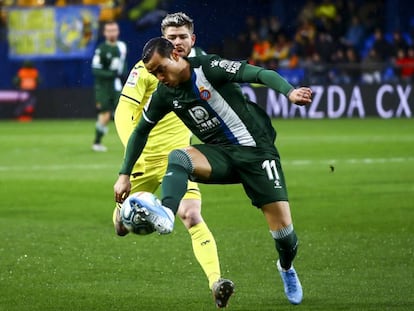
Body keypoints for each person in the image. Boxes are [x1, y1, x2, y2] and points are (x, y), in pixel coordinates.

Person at [114, 37, 312, 306]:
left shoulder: (208, 68)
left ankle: (286, 268)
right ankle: (167, 214)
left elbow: (259, 73)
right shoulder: (165, 94)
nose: (159, 78)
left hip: (257, 153)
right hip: (220, 154)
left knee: (285, 238)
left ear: (175, 55)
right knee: (180, 156)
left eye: (160, 69)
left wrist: (288, 92)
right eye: (153, 74)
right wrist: (124, 174)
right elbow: (140, 131)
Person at [112, 13, 232, 308]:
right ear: (163, 41)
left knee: (192, 215)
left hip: (177, 161)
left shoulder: (200, 68)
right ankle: (137, 210)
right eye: (171, 38)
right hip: (142, 162)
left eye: (181, 37)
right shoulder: (145, 71)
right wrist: (131, 157)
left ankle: (216, 282)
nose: (176, 43)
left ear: (192, 38)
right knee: (120, 226)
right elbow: (122, 113)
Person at [91, 20, 127, 152]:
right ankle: (97, 142)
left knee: (126, 112)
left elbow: (123, 64)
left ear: (118, 31)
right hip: (103, 87)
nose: (112, 33)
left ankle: (131, 142)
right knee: (105, 114)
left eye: (114, 30)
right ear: (104, 33)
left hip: (117, 86)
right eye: (109, 30)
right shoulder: (101, 49)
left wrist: (123, 74)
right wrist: (112, 74)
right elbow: (95, 70)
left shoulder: (122, 46)